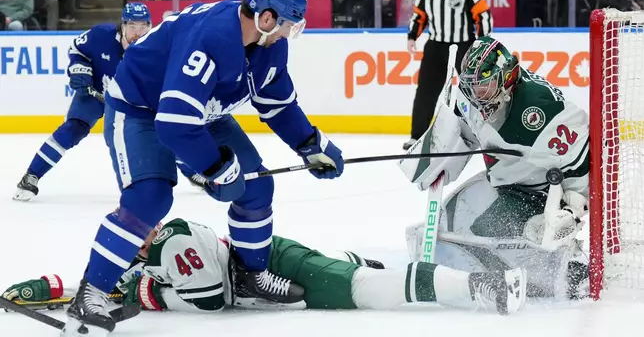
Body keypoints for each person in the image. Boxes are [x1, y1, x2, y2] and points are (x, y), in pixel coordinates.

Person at [61, 0, 345, 337]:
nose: (290, 33)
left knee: (256, 187)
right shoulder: (211, 38)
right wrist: (216, 168)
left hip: (202, 112)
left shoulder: (269, 45)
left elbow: (277, 104)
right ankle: (91, 293)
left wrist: (312, 144)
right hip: (140, 109)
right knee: (150, 197)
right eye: (288, 24)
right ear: (266, 17)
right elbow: (174, 123)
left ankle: (248, 277)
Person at [3, 217, 527, 316]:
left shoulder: (169, 245)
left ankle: (480, 286)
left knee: (368, 290)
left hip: (263, 264)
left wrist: (151, 296)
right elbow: (89, 284)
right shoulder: (145, 253)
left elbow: (211, 300)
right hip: (260, 261)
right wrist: (40, 288)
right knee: (349, 272)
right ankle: (345, 259)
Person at [400, 36, 589, 300]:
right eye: (472, 86)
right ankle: (518, 273)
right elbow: (464, 130)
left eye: (484, 86)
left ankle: (574, 265)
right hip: (509, 181)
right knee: (480, 229)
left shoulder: (537, 111)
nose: (477, 95)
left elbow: (582, 156)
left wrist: (572, 208)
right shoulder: (473, 97)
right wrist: (435, 152)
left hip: (541, 192)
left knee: (532, 234)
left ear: (507, 78)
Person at [13, 3, 152, 201]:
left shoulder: (155, 47)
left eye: (143, 26)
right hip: (95, 90)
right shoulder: (101, 35)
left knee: (142, 138)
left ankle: (185, 175)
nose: (138, 32)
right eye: (132, 26)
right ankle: (32, 175)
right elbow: (77, 49)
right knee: (73, 129)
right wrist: (79, 66)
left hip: (127, 102)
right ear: (122, 25)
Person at [403, 0, 493, 150]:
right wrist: (411, 37)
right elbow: (419, 16)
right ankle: (417, 135)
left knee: (472, 91)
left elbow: (483, 14)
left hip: (464, 44)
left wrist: (482, 41)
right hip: (435, 46)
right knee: (426, 91)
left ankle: (481, 134)